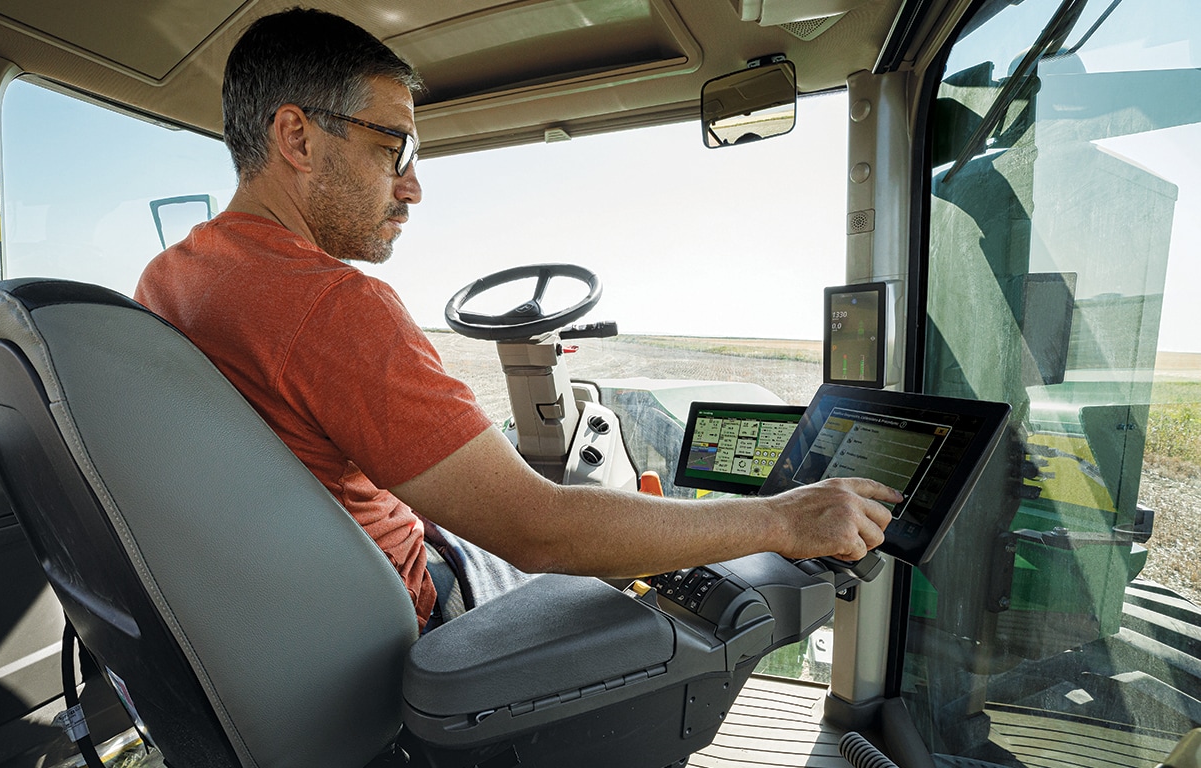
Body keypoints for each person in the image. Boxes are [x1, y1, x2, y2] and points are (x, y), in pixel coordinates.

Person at [134, 7, 900, 633]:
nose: (413, 188)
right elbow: (541, 531)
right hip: (411, 620)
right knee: (648, 599)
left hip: (284, 612)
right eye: (391, 146)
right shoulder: (333, 305)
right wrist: (781, 521)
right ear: (297, 138)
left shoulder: (171, 278)